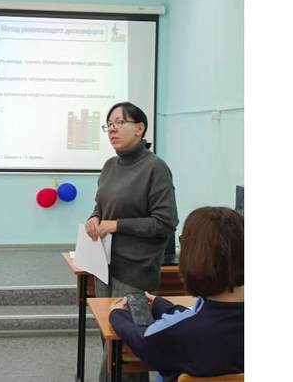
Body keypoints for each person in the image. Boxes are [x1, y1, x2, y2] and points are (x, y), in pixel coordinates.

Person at [85, 101, 179, 382]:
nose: (112, 130)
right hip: (104, 264)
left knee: (129, 349)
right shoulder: (109, 166)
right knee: (109, 342)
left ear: (140, 128)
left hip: (135, 271)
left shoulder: (155, 167)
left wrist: (116, 225)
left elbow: (165, 222)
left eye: (120, 123)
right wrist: (94, 217)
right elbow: (102, 205)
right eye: (109, 125)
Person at [108, 207, 244, 382]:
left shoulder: (175, 334)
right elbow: (205, 317)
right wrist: (163, 306)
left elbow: (141, 339)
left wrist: (117, 315)